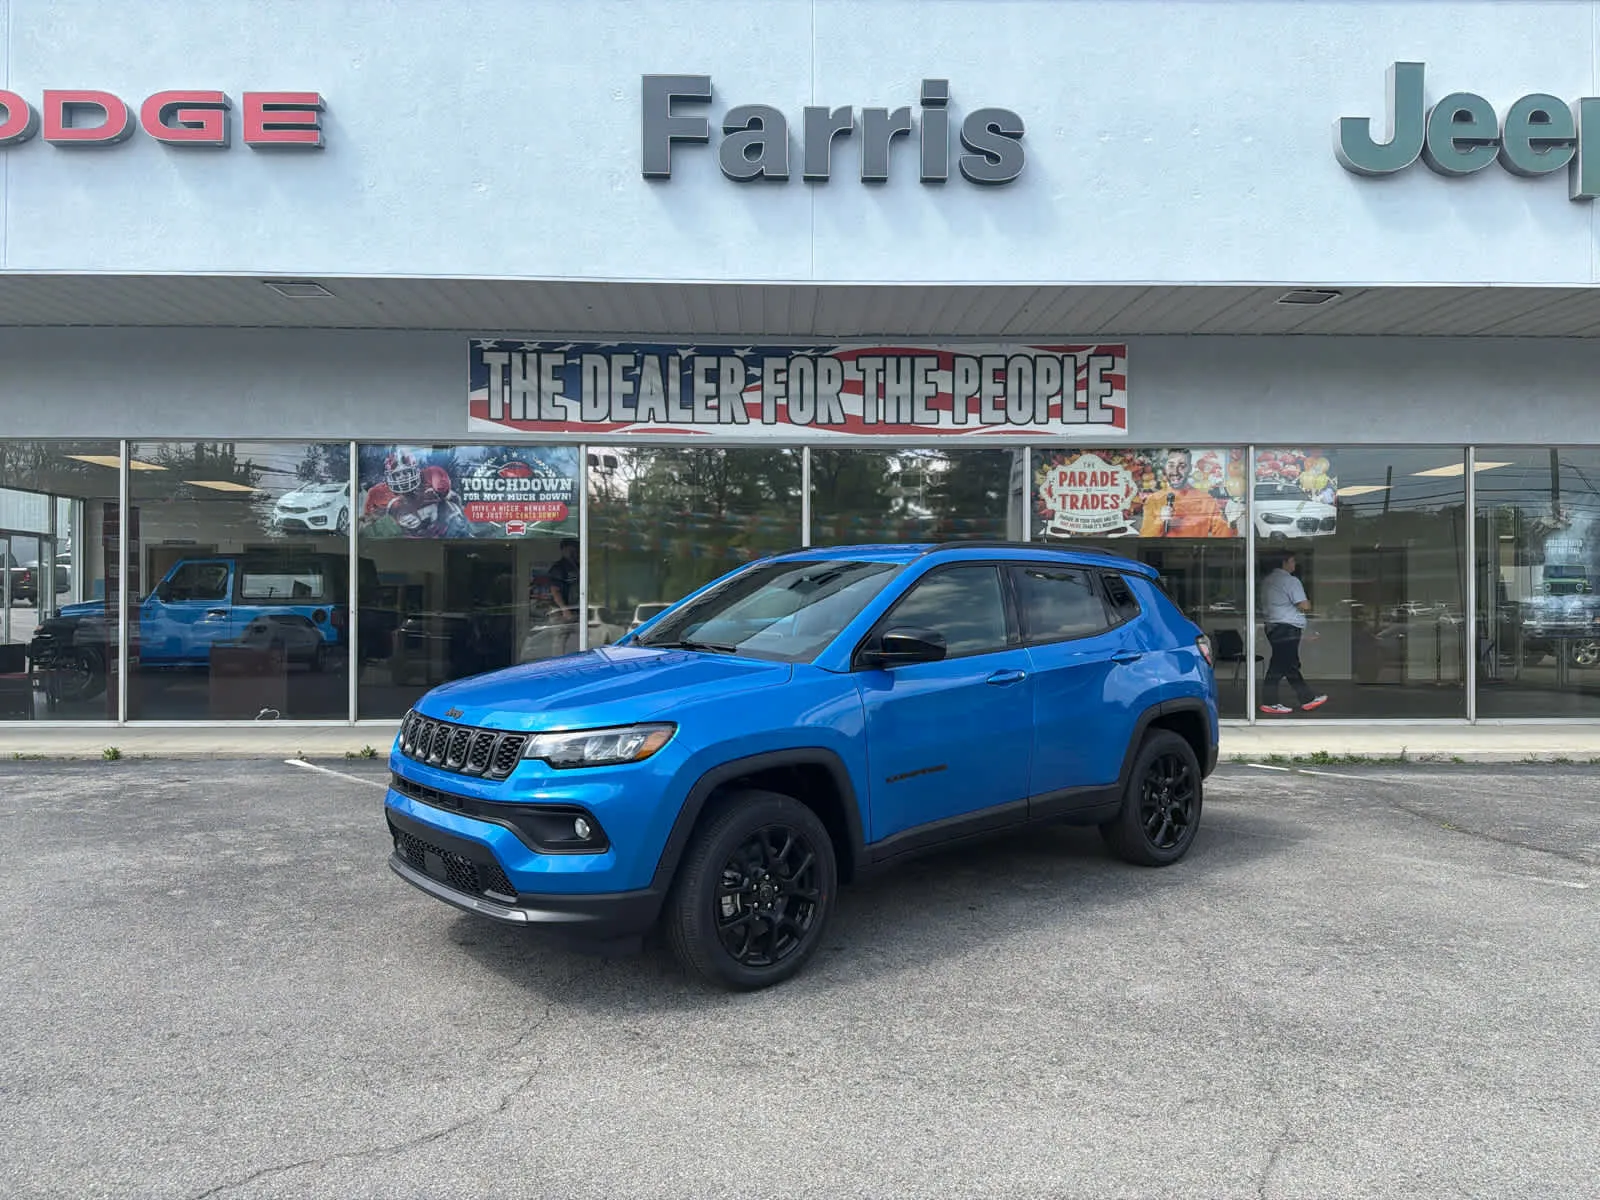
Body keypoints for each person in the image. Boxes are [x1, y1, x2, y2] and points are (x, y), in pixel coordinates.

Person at [1259, 551, 1327, 713]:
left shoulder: (1268, 580)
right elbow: (1304, 605)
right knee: (1279, 666)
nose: (1294, 564)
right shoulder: (1290, 581)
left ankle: (1307, 699)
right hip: (1287, 628)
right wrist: (1308, 602)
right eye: (1292, 561)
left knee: (1289, 665)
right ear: (1284, 562)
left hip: (1273, 626)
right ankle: (1271, 702)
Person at [1138, 448, 1236, 538]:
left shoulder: (1206, 500)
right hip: (1162, 556)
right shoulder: (1153, 500)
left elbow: (1224, 537)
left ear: (1189, 469)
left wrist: (1231, 522)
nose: (1175, 472)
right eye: (1171, 465)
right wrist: (1160, 520)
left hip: (1194, 555)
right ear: (1165, 468)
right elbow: (1144, 540)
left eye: (1182, 466)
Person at [547, 538, 580, 609]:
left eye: (575, 549)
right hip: (561, 610)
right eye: (570, 550)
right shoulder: (558, 568)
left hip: (577, 607)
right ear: (563, 550)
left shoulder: (580, 566)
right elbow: (555, 590)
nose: (574, 552)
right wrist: (564, 609)